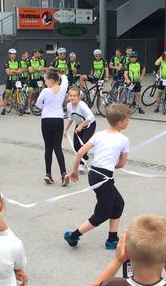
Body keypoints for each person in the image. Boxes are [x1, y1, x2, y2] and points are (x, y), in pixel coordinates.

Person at [65, 104, 131, 249]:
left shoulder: (99, 134)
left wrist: (74, 171)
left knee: (118, 204)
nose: (129, 122)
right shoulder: (124, 140)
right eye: (128, 119)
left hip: (94, 174)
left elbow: (80, 153)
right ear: (120, 122)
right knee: (102, 213)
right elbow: (121, 165)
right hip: (104, 178)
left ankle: (112, 239)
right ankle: (73, 235)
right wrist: (116, 161)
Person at [35, 68, 69, 186]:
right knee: (58, 147)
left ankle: (48, 174)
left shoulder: (45, 91)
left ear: (50, 80)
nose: (45, 83)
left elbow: (38, 104)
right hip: (58, 119)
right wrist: (56, 70)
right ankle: (64, 173)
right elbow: (65, 77)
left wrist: (46, 106)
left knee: (48, 148)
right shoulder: (63, 88)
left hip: (46, 120)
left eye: (46, 80)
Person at [63, 86, 95, 173]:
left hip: (89, 125)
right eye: (70, 96)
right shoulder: (69, 106)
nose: (72, 97)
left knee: (83, 145)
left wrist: (81, 126)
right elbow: (71, 118)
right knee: (76, 146)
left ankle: (81, 163)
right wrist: (65, 130)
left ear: (79, 97)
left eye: (74, 96)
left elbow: (91, 117)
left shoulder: (81, 105)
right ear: (68, 97)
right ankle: (86, 158)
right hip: (79, 125)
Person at [2, 49, 22, 116]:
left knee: (18, 93)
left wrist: (12, 70)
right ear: (9, 55)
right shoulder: (7, 63)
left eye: (14, 54)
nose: (14, 55)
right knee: (7, 95)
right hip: (10, 81)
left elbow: (20, 71)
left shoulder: (18, 62)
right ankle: (4, 109)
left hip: (17, 81)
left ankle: (19, 107)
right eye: (12, 54)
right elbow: (8, 73)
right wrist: (16, 71)